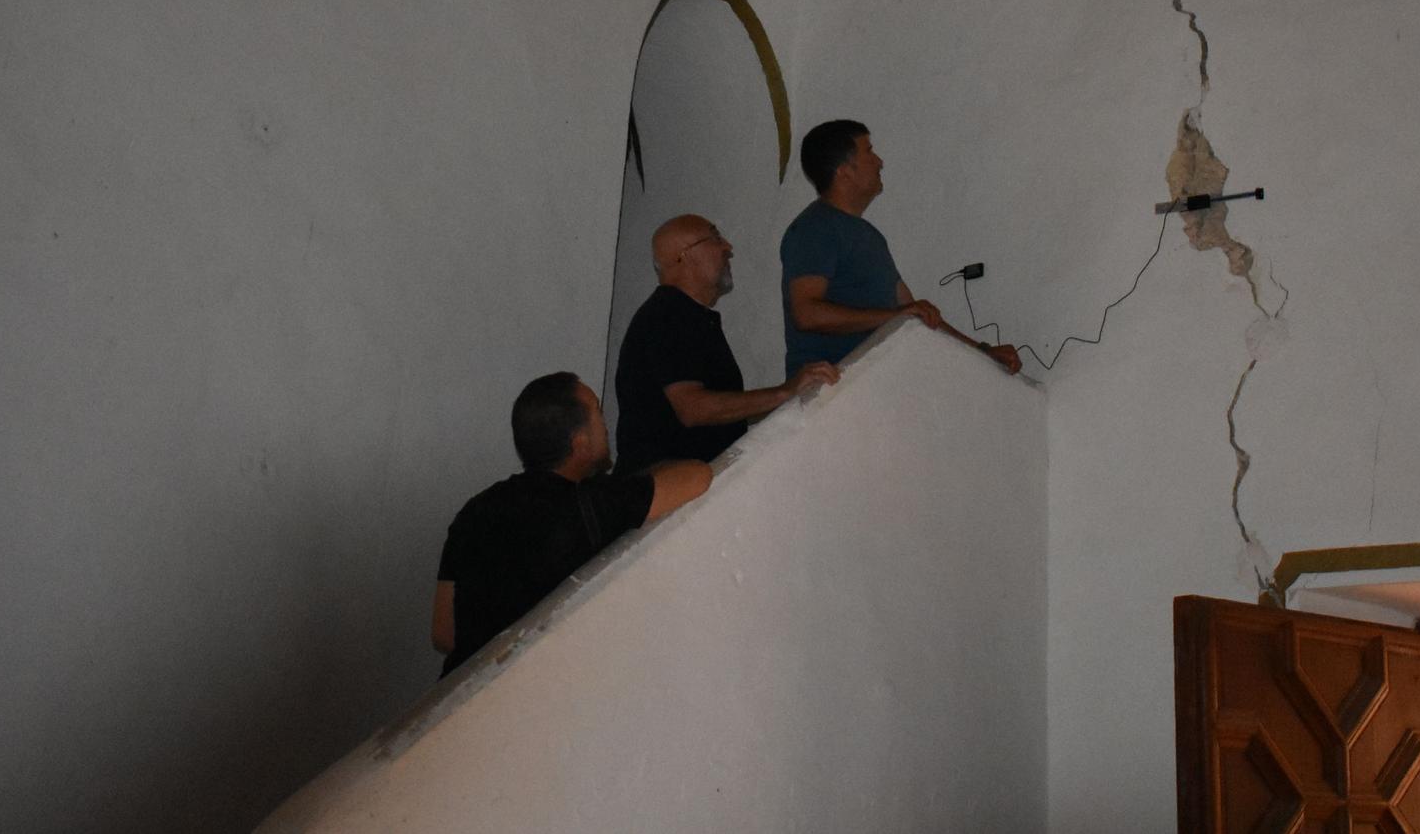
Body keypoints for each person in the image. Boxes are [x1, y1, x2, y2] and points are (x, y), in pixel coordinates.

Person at [431, 372, 709, 676]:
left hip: (461, 703)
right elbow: (697, 476)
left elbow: (445, 633)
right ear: (579, 442)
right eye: (598, 414)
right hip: (536, 700)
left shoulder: (475, 510)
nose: (605, 425)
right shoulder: (590, 504)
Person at [780, 120, 1022, 375]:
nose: (879, 162)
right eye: (869, 151)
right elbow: (806, 314)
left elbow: (916, 313)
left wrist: (981, 351)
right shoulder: (814, 229)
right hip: (828, 392)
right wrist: (895, 316)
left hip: (873, 388)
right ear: (844, 170)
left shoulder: (870, 236)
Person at [614, 213, 840, 473]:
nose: (727, 247)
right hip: (667, 491)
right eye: (715, 237)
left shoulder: (684, 315)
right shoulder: (668, 316)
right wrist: (785, 392)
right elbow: (693, 408)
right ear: (683, 256)